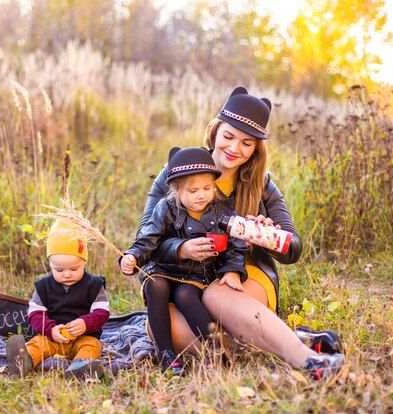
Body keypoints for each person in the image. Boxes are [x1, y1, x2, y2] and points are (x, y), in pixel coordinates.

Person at [138, 86, 344, 379]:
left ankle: (308, 360)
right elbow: (145, 238)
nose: (235, 148)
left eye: (247, 143)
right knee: (170, 332)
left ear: (255, 149)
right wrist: (181, 249)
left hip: (241, 279)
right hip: (184, 283)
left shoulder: (262, 185)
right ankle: (300, 338)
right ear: (215, 131)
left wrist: (267, 237)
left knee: (215, 296)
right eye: (229, 136)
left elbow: (294, 249)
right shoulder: (178, 172)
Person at [120, 147, 248, 376]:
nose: (201, 195)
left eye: (207, 188)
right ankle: (167, 354)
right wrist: (131, 256)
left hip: (196, 275)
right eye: (193, 190)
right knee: (155, 284)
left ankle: (214, 350)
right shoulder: (165, 209)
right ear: (175, 191)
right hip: (164, 269)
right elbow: (149, 238)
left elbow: (237, 245)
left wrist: (232, 271)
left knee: (185, 295)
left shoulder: (222, 213)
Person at [6, 221, 110, 380]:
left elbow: (102, 312)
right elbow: (35, 314)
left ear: (84, 262)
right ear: (50, 265)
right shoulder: (44, 287)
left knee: (92, 346)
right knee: (38, 343)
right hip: (51, 338)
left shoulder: (94, 286)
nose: (67, 274)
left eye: (74, 269)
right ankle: (24, 361)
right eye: (59, 270)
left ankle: (81, 366)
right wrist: (51, 330)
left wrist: (85, 324)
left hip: (83, 337)